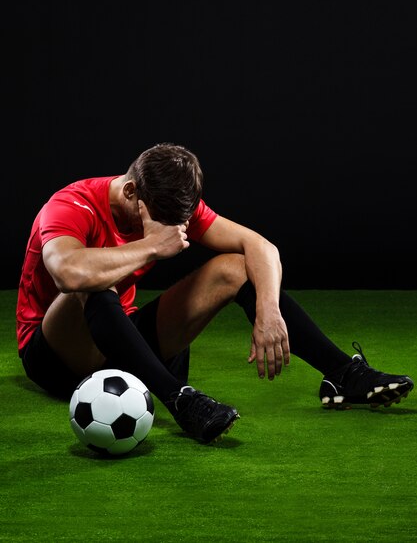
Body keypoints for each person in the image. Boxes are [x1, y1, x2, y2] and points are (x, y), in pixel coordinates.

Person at [16, 142, 414, 444]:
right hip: (55, 353)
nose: (175, 230)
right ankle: (182, 401)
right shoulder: (71, 204)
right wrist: (152, 246)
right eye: (165, 222)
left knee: (235, 268)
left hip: (120, 339)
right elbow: (68, 272)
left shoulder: (169, 206)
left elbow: (261, 247)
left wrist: (268, 310)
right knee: (92, 281)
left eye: (182, 223)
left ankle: (345, 375)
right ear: (132, 191)